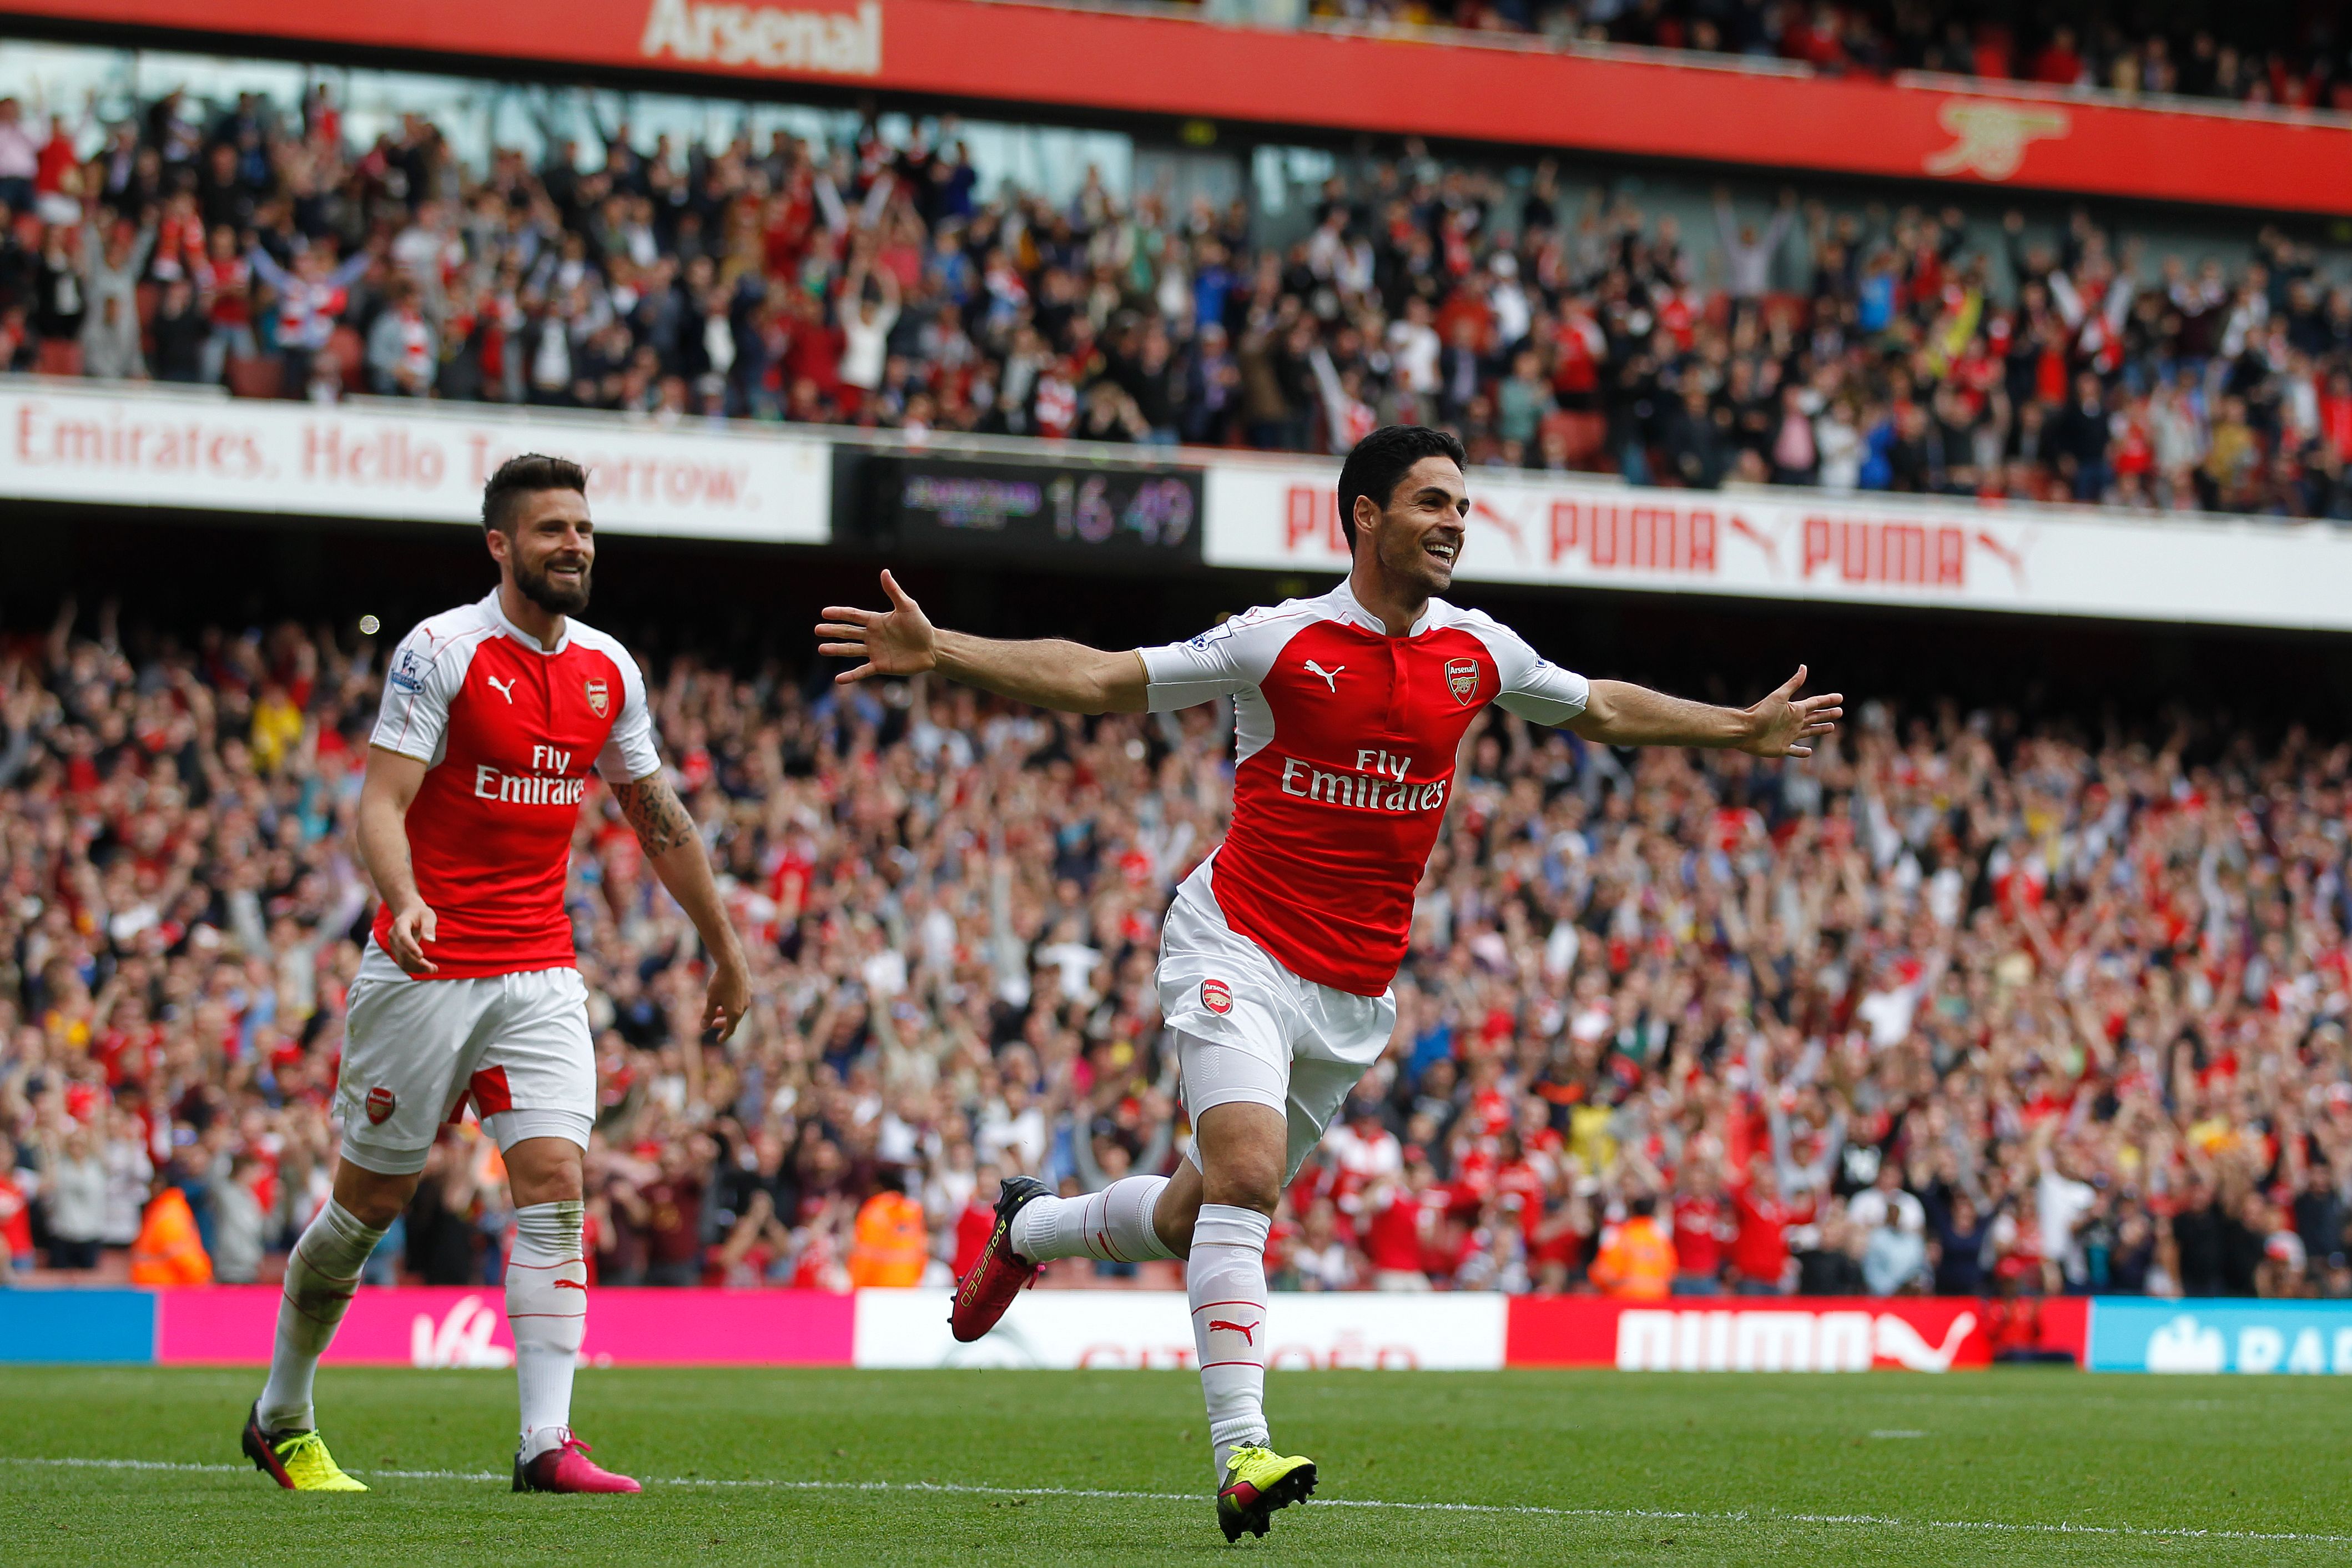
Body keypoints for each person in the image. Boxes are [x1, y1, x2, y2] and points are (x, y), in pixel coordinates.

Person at [815, 423, 1840, 1541]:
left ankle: (1031, 1230)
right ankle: (1241, 1454)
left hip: (1351, 996)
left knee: (1188, 1208)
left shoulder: (1477, 652)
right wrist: (948, 650)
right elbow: (1110, 679)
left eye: (1461, 506)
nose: (1454, 522)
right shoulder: (1279, 640)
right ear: (1365, 516)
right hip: (1234, 944)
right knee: (1246, 1177)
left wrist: (1738, 730)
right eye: (1431, 503)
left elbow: (1598, 707)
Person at [241, 453, 749, 1495]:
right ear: (501, 545)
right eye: (553, 529)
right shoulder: (442, 651)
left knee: (557, 1185)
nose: (575, 545)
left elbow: (658, 819)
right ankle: (279, 1409)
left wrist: (724, 941)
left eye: (584, 529)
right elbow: (380, 804)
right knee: (367, 1207)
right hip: (423, 968)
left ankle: (544, 1444)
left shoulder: (610, 668)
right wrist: (406, 894)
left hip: (538, 967)